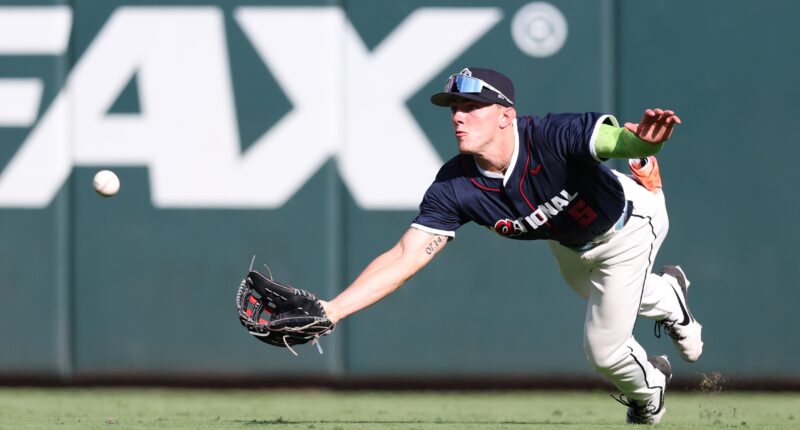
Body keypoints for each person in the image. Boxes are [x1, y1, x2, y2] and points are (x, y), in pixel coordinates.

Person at [320, 67, 703, 424]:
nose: (458, 117)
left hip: (629, 225)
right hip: (569, 245)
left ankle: (649, 390)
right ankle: (669, 294)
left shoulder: (547, 136)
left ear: (506, 115)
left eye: (471, 107)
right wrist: (333, 311)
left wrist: (637, 143)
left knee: (604, 348)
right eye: (455, 108)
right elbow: (404, 256)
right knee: (605, 294)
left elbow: (611, 140)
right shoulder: (455, 185)